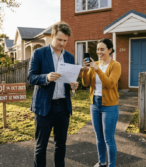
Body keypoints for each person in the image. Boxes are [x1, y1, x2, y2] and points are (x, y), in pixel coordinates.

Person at [27, 21, 79, 167]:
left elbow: (69, 80)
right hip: (44, 107)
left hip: (63, 106)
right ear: (52, 36)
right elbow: (31, 77)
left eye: (65, 41)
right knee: (41, 146)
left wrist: (73, 85)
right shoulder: (39, 53)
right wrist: (46, 77)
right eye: (59, 39)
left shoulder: (69, 57)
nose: (62, 43)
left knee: (61, 145)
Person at [82, 38, 121, 167]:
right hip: (95, 104)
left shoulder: (115, 65)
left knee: (109, 139)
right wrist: (84, 71)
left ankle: (111, 165)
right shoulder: (95, 64)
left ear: (110, 50)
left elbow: (110, 84)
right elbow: (86, 83)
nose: (99, 52)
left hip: (109, 106)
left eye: (102, 49)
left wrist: (97, 69)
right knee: (99, 138)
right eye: (98, 49)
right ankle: (102, 163)